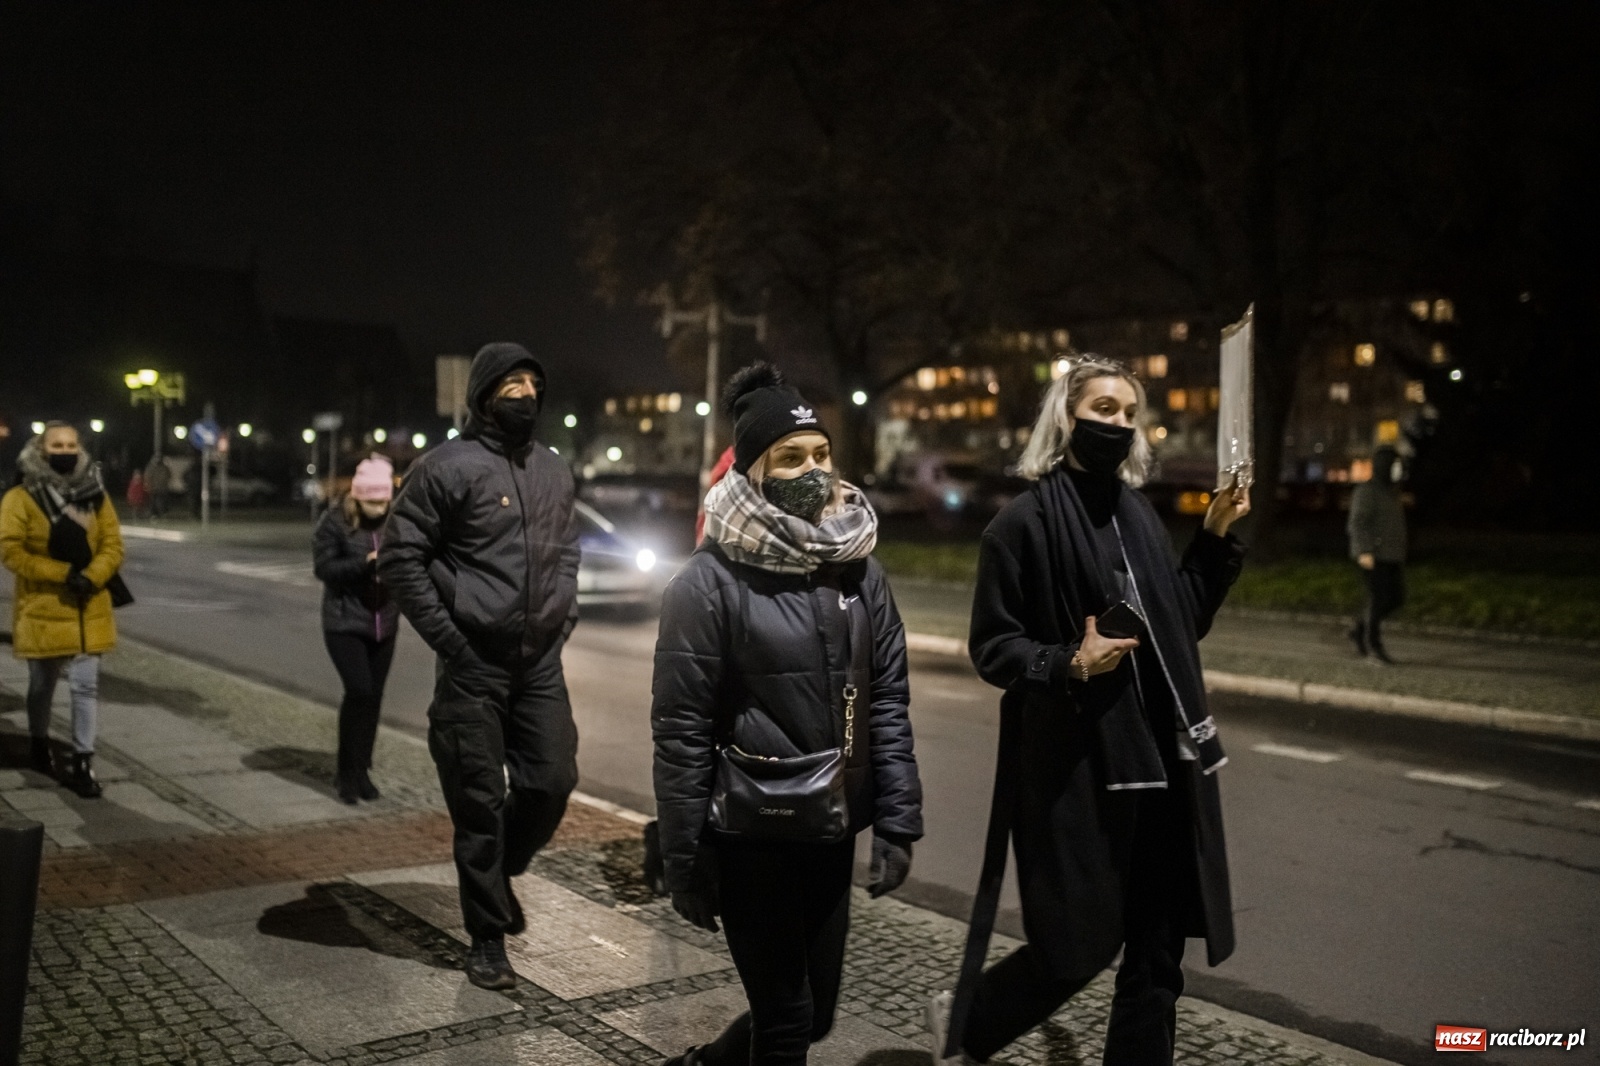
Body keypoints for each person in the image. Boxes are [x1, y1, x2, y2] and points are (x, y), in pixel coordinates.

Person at [930, 356, 1249, 1066]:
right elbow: (994, 646)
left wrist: (1216, 539)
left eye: (1131, 414)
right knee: (1077, 947)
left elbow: (1177, 622)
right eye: (1104, 408)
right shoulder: (1022, 523)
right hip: (1083, 766)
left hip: (1166, 763)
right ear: (1066, 416)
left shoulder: (1138, 514)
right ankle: (971, 1019)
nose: (1119, 424)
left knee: (1159, 955)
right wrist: (1066, 662)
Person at [653, 363, 923, 1066]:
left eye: (821, 453)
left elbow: (888, 697)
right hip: (750, 832)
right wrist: (686, 858)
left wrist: (896, 817)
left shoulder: (859, 568)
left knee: (816, 1014)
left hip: (830, 827)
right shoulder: (706, 584)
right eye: (791, 457)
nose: (813, 469)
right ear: (753, 472)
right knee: (786, 1017)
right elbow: (681, 732)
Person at [379, 342, 581, 991]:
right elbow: (399, 559)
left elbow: (567, 550)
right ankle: (487, 936)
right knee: (478, 801)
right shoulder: (445, 467)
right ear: (483, 396)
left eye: (532, 383)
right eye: (510, 384)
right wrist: (451, 640)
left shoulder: (553, 469)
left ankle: (503, 870)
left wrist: (563, 615)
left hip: (540, 661)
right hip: (474, 664)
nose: (524, 394)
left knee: (552, 780)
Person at [1, 423, 126, 798]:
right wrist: (61, 573)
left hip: (89, 605)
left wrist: (92, 575)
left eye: (72, 444)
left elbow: (113, 545)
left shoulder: (95, 495)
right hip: (45, 607)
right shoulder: (20, 498)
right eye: (58, 444)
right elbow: (11, 551)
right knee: (42, 685)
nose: (66, 450)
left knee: (85, 687)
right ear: (41, 450)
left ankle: (82, 760)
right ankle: (39, 742)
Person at [313, 455, 400, 805]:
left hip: (385, 622)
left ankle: (362, 770)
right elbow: (324, 568)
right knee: (360, 691)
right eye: (372, 501)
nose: (379, 508)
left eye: (383, 501)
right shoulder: (335, 522)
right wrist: (363, 566)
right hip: (344, 621)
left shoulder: (396, 522)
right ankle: (346, 773)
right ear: (357, 496)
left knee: (374, 697)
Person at [1347, 445, 1407, 665]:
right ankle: (1373, 645)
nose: (1398, 471)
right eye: (1394, 466)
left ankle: (1359, 630)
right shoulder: (1368, 491)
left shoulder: (1391, 491)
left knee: (1395, 598)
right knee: (1378, 599)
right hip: (1374, 556)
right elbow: (1358, 522)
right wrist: (1364, 550)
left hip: (1391, 555)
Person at [144, 453, 171, 518]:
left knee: (161, 501)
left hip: (161, 488)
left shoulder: (164, 467)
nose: (157, 460)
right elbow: (147, 477)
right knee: (153, 501)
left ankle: (161, 513)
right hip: (154, 488)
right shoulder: (151, 468)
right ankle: (154, 514)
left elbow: (168, 475)